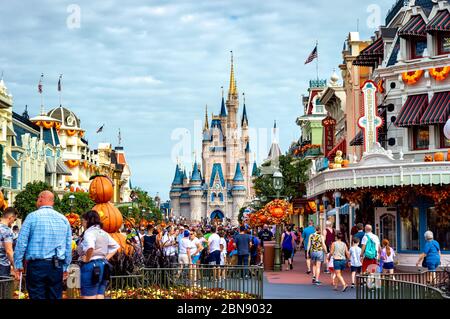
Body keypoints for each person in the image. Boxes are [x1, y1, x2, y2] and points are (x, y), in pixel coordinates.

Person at [14, 191, 72, 299]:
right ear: (52, 202)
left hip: (37, 265)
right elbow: (68, 246)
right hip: (56, 265)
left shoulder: (32, 217)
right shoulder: (64, 220)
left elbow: (21, 243)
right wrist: (65, 267)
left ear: (40, 199)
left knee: (37, 295)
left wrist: (18, 264)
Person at [77, 210, 120, 299]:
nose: (82, 224)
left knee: (89, 296)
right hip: (104, 266)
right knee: (100, 294)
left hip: (91, 266)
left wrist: (87, 259)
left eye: (83, 221)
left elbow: (90, 247)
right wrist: (105, 258)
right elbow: (116, 246)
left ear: (87, 221)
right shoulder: (103, 233)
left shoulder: (89, 233)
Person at [0, 208, 17, 277]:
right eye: (14, 219)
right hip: (2, 266)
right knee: (3, 287)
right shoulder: (7, 231)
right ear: (11, 217)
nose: (13, 222)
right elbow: (9, 251)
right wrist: (15, 266)